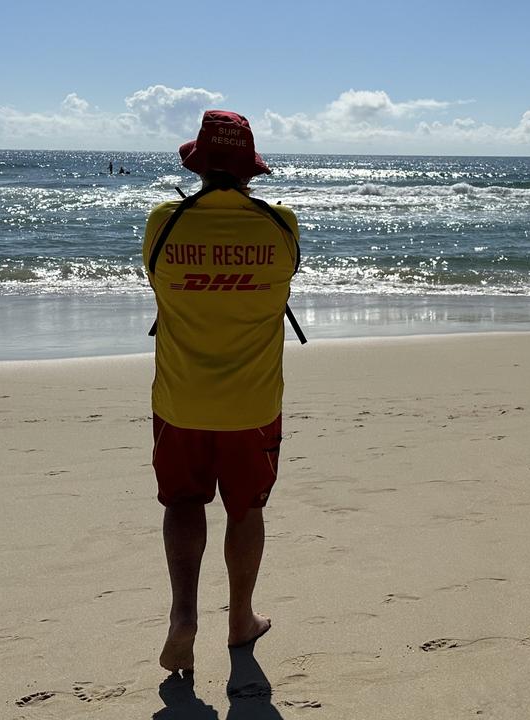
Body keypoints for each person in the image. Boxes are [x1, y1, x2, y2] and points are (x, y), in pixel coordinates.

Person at [142, 110, 301, 673]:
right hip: (253, 404)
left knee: (183, 503)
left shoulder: (164, 222)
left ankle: (184, 614)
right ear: (249, 170)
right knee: (245, 508)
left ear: (199, 166)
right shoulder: (282, 225)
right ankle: (240, 618)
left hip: (181, 400)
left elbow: (159, 283)